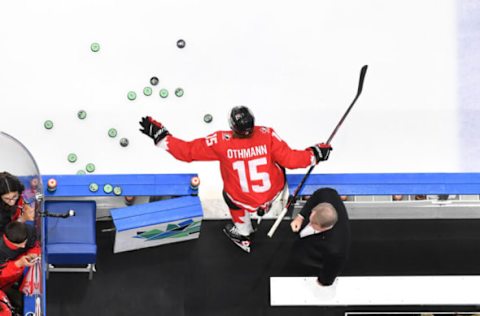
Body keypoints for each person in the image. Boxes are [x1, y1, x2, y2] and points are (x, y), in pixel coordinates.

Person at [139, 105, 332, 253]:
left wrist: (162, 137)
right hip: (272, 192)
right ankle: (259, 214)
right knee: (275, 169)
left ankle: (244, 234)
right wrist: (315, 153)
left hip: (241, 198)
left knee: (233, 201)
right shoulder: (267, 135)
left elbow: (187, 152)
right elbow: (291, 160)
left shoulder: (220, 142)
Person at [289, 187, 350, 286]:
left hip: (315, 258)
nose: (310, 223)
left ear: (324, 228)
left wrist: (324, 281)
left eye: (313, 224)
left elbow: (334, 268)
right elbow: (317, 195)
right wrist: (300, 217)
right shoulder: (327, 194)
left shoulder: (336, 248)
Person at [0, 221, 40, 314]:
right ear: (9, 241)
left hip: (13, 283)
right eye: (19, 245)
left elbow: (35, 244)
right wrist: (18, 264)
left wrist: (33, 253)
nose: (23, 246)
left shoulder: (29, 231)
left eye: (25, 242)